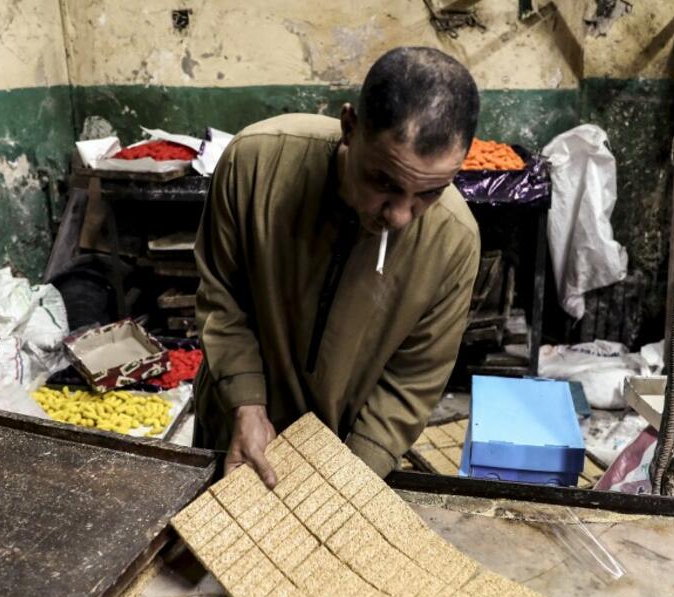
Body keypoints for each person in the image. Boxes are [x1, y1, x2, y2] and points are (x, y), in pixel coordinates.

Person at [194, 46, 481, 487]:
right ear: (350, 127)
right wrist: (245, 402)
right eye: (383, 181)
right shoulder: (254, 164)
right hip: (235, 426)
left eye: (430, 192)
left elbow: (413, 380)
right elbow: (223, 296)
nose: (399, 216)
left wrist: (351, 477)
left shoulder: (453, 241)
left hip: (345, 448)